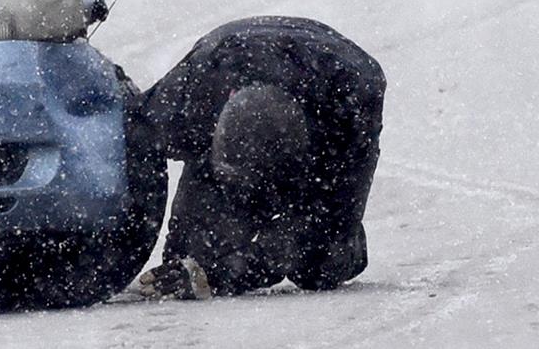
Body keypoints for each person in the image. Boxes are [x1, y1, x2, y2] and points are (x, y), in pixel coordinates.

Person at [132, 16, 386, 298]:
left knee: (323, 261)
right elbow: (130, 142)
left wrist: (222, 273)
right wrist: (119, 254)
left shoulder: (350, 110)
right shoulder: (189, 95)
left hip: (327, 98)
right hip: (229, 60)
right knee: (192, 254)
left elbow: (331, 219)